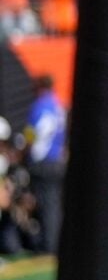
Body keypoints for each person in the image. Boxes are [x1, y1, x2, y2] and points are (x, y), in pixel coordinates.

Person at [22, 73, 65, 255]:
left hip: (42, 162)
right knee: (54, 204)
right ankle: (54, 242)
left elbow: (32, 134)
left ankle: (49, 245)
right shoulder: (58, 106)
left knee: (46, 206)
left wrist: (25, 151)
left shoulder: (39, 107)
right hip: (57, 161)